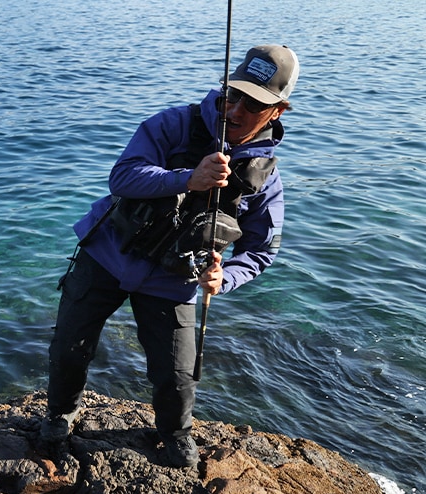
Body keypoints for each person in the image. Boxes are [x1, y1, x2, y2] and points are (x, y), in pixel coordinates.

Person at [41, 45, 299, 468]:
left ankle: (175, 433)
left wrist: (225, 278)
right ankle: (59, 415)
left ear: (278, 112)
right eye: (232, 95)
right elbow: (122, 176)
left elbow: (260, 252)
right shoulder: (173, 124)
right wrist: (189, 178)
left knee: (177, 376)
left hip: (174, 280)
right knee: (70, 347)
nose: (234, 110)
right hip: (107, 255)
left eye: (253, 105)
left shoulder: (265, 180)